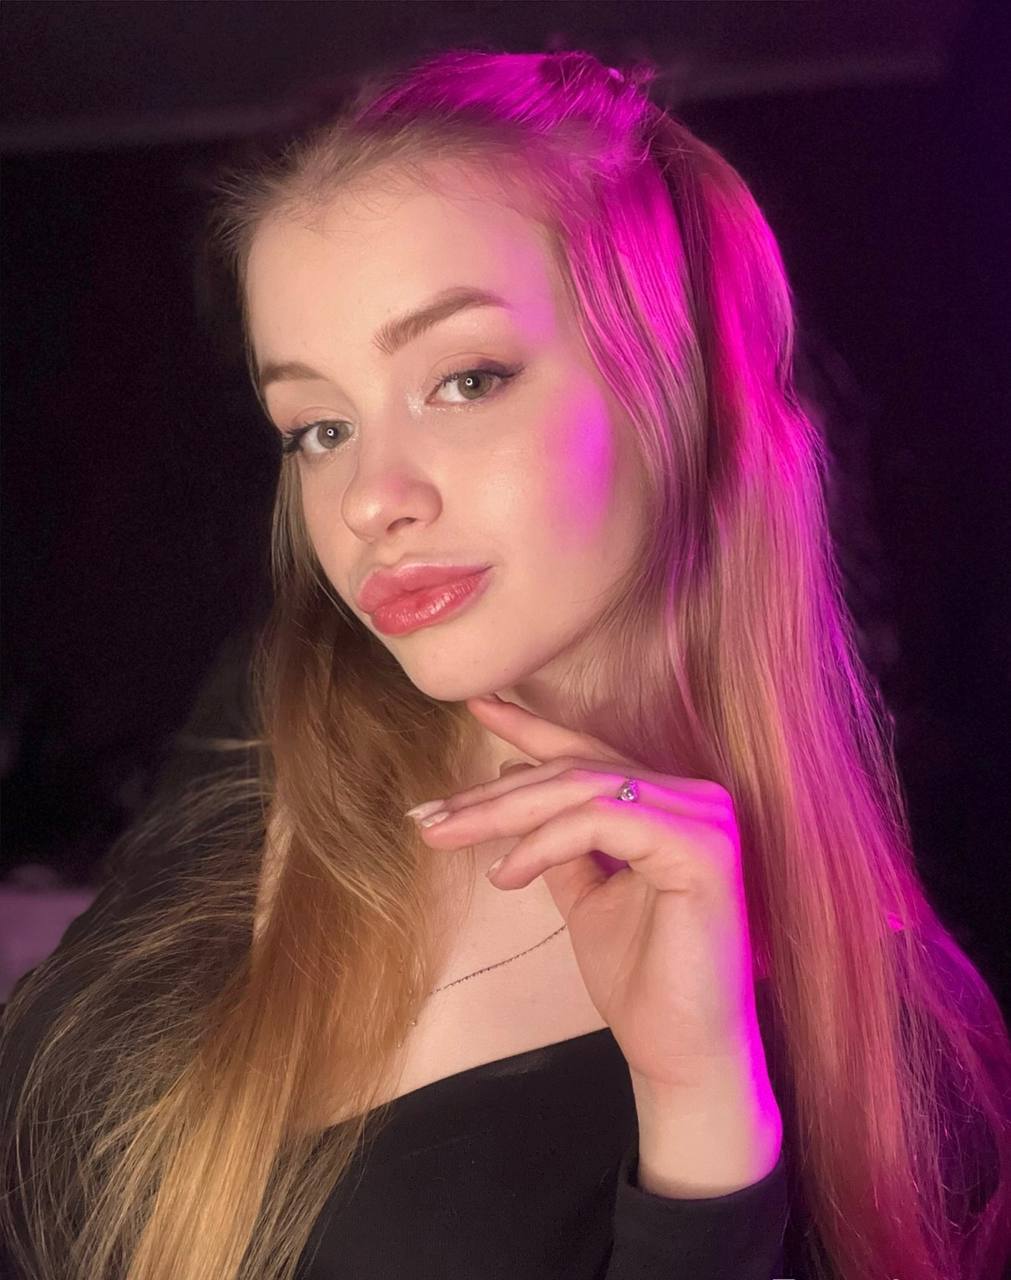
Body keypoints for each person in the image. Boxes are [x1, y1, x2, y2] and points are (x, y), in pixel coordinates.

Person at [2, 46, 1009, 1280]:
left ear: (682, 385)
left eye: (466, 378)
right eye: (319, 426)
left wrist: (700, 1114)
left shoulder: (898, 1048)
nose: (368, 498)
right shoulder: (268, 735)